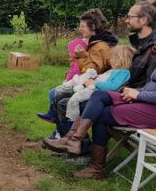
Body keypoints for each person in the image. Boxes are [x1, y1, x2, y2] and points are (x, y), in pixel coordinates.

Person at [47, 14, 156, 180]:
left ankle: (94, 165)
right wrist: (134, 94)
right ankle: (73, 139)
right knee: (100, 95)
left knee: (101, 114)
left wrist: (140, 95)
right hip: (152, 105)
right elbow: (153, 83)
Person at [50, 0, 156, 136]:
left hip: (130, 97)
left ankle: (76, 144)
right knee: (63, 98)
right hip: (118, 91)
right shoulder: (139, 44)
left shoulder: (155, 49)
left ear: (143, 20)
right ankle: (69, 140)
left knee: (67, 102)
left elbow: (151, 83)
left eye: (130, 17)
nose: (126, 20)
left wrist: (119, 91)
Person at [44, 45, 135, 153]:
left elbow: (112, 87)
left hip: (99, 99)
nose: (110, 60)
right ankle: (63, 138)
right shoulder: (114, 71)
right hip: (91, 92)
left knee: (63, 104)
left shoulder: (123, 72)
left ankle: (81, 147)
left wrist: (94, 82)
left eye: (112, 58)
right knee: (58, 98)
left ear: (120, 59)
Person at [47, 9, 118, 138]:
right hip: (91, 84)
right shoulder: (95, 43)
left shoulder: (100, 46)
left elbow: (93, 72)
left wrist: (81, 56)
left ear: (93, 27)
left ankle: (70, 139)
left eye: (83, 26)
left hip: (96, 87)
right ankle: (61, 134)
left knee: (57, 96)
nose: (80, 29)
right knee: (55, 94)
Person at [37, 38, 88, 122]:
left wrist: (67, 80)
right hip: (74, 83)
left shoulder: (79, 63)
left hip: (76, 85)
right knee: (53, 93)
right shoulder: (76, 61)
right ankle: (53, 115)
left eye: (70, 51)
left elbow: (74, 74)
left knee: (53, 93)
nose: (69, 53)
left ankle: (54, 116)